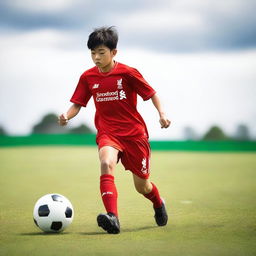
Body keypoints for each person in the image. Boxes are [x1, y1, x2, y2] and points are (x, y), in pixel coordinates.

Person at [59, 26, 171, 234]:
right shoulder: (87, 77)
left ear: (114, 53)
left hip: (135, 135)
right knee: (105, 162)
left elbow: (152, 94)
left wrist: (162, 114)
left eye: (101, 53)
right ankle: (113, 218)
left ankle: (157, 202)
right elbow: (77, 103)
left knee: (142, 186)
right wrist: (67, 115)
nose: (96, 57)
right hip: (107, 132)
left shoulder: (128, 73)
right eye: (93, 53)